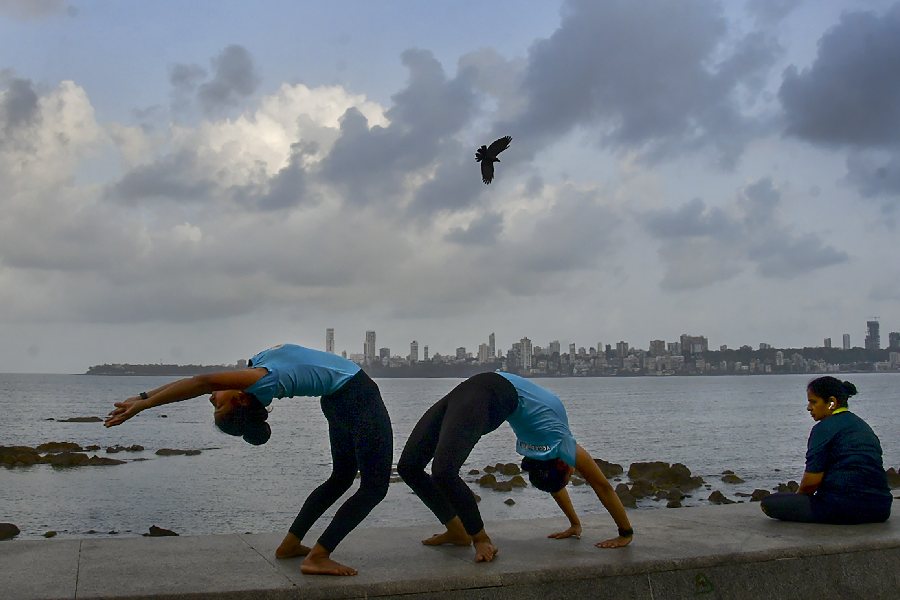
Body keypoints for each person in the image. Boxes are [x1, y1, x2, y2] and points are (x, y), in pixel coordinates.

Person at [104, 343, 393, 576]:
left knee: (341, 478)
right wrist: (143, 405)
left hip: (338, 399)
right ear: (241, 399)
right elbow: (201, 382)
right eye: (217, 404)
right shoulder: (259, 380)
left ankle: (290, 545)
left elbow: (200, 383)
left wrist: (142, 397)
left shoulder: (255, 373)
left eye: (214, 403)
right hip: (358, 395)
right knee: (374, 488)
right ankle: (319, 556)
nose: (210, 399)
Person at [397, 371, 633, 563]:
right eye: (570, 475)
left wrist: (575, 524)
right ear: (564, 464)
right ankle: (458, 531)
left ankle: (480, 538)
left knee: (444, 471)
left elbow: (554, 482)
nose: (572, 473)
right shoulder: (563, 444)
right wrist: (625, 533)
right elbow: (602, 486)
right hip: (485, 388)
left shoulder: (544, 459)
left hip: (488, 395)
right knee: (409, 466)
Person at [760, 376, 891, 524]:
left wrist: (799, 499)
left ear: (831, 403)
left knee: (769, 502)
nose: (809, 407)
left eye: (813, 402)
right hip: (881, 509)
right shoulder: (862, 426)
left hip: (841, 508)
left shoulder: (823, 428)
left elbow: (811, 482)